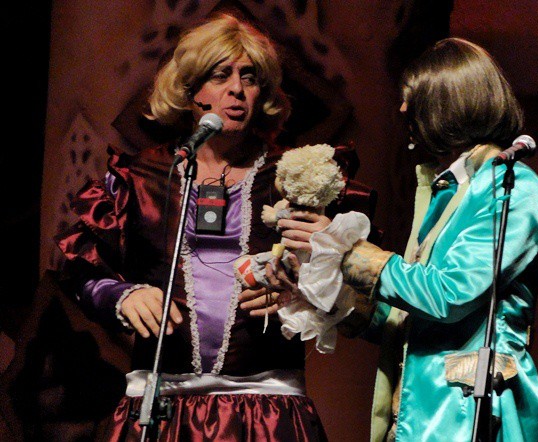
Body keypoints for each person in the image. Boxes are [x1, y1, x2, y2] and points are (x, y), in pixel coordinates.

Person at [55, 12, 375, 441]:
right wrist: (122, 295)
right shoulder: (141, 179)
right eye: (220, 75)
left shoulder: (296, 178)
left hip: (267, 410)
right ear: (190, 91)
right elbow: (79, 267)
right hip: (162, 409)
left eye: (249, 77)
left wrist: (302, 294)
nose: (237, 89)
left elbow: (360, 286)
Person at [275, 37, 538, 441]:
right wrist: (323, 284)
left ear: (448, 102)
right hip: (420, 415)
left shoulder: (510, 186)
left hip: (466, 418)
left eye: (412, 96)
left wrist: (347, 251)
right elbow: (407, 317)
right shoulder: (448, 189)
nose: (402, 109)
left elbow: (450, 295)